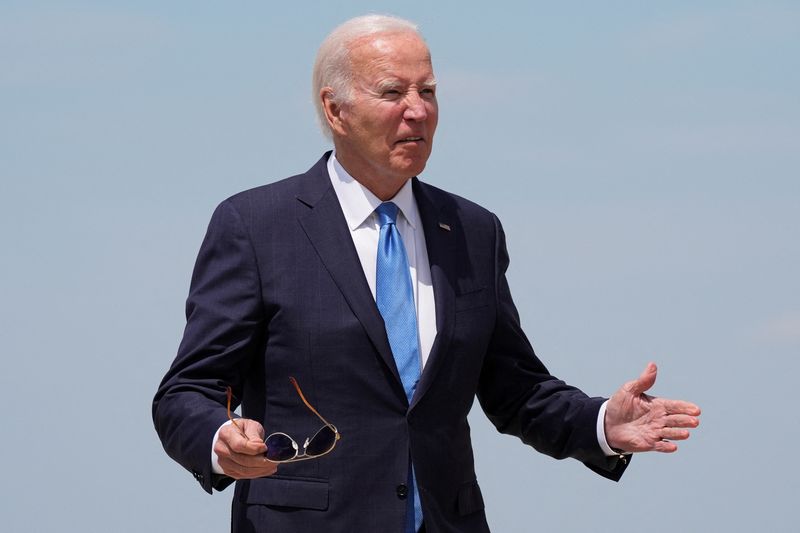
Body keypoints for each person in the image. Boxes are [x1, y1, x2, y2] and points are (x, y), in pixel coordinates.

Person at [153, 14, 701, 533]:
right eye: (393, 93)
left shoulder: (473, 230)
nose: (417, 110)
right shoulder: (255, 225)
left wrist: (603, 424)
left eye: (428, 91)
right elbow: (186, 391)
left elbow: (516, 390)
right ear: (335, 110)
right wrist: (220, 439)